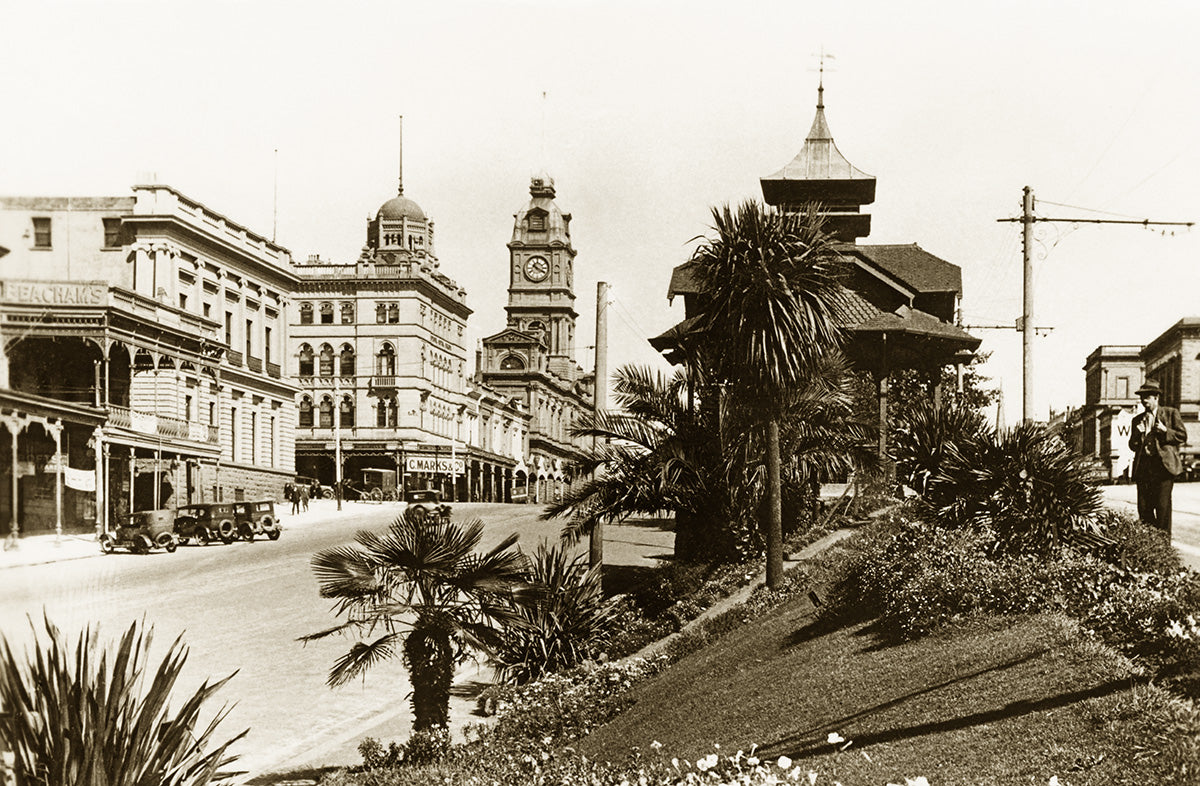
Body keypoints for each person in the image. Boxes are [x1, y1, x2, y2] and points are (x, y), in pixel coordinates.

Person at [1129, 379, 1187, 536]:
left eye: (1147, 397)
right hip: (1144, 470)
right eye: (1142, 398)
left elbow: (1182, 436)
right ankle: (1151, 546)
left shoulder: (1170, 413)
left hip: (1163, 469)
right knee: (1144, 509)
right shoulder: (1137, 420)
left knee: (1162, 509)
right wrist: (1137, 434)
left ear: (1156, 398)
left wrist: (1165, 431)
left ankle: (1164, 549)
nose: (1144, 401)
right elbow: (1132, 446)